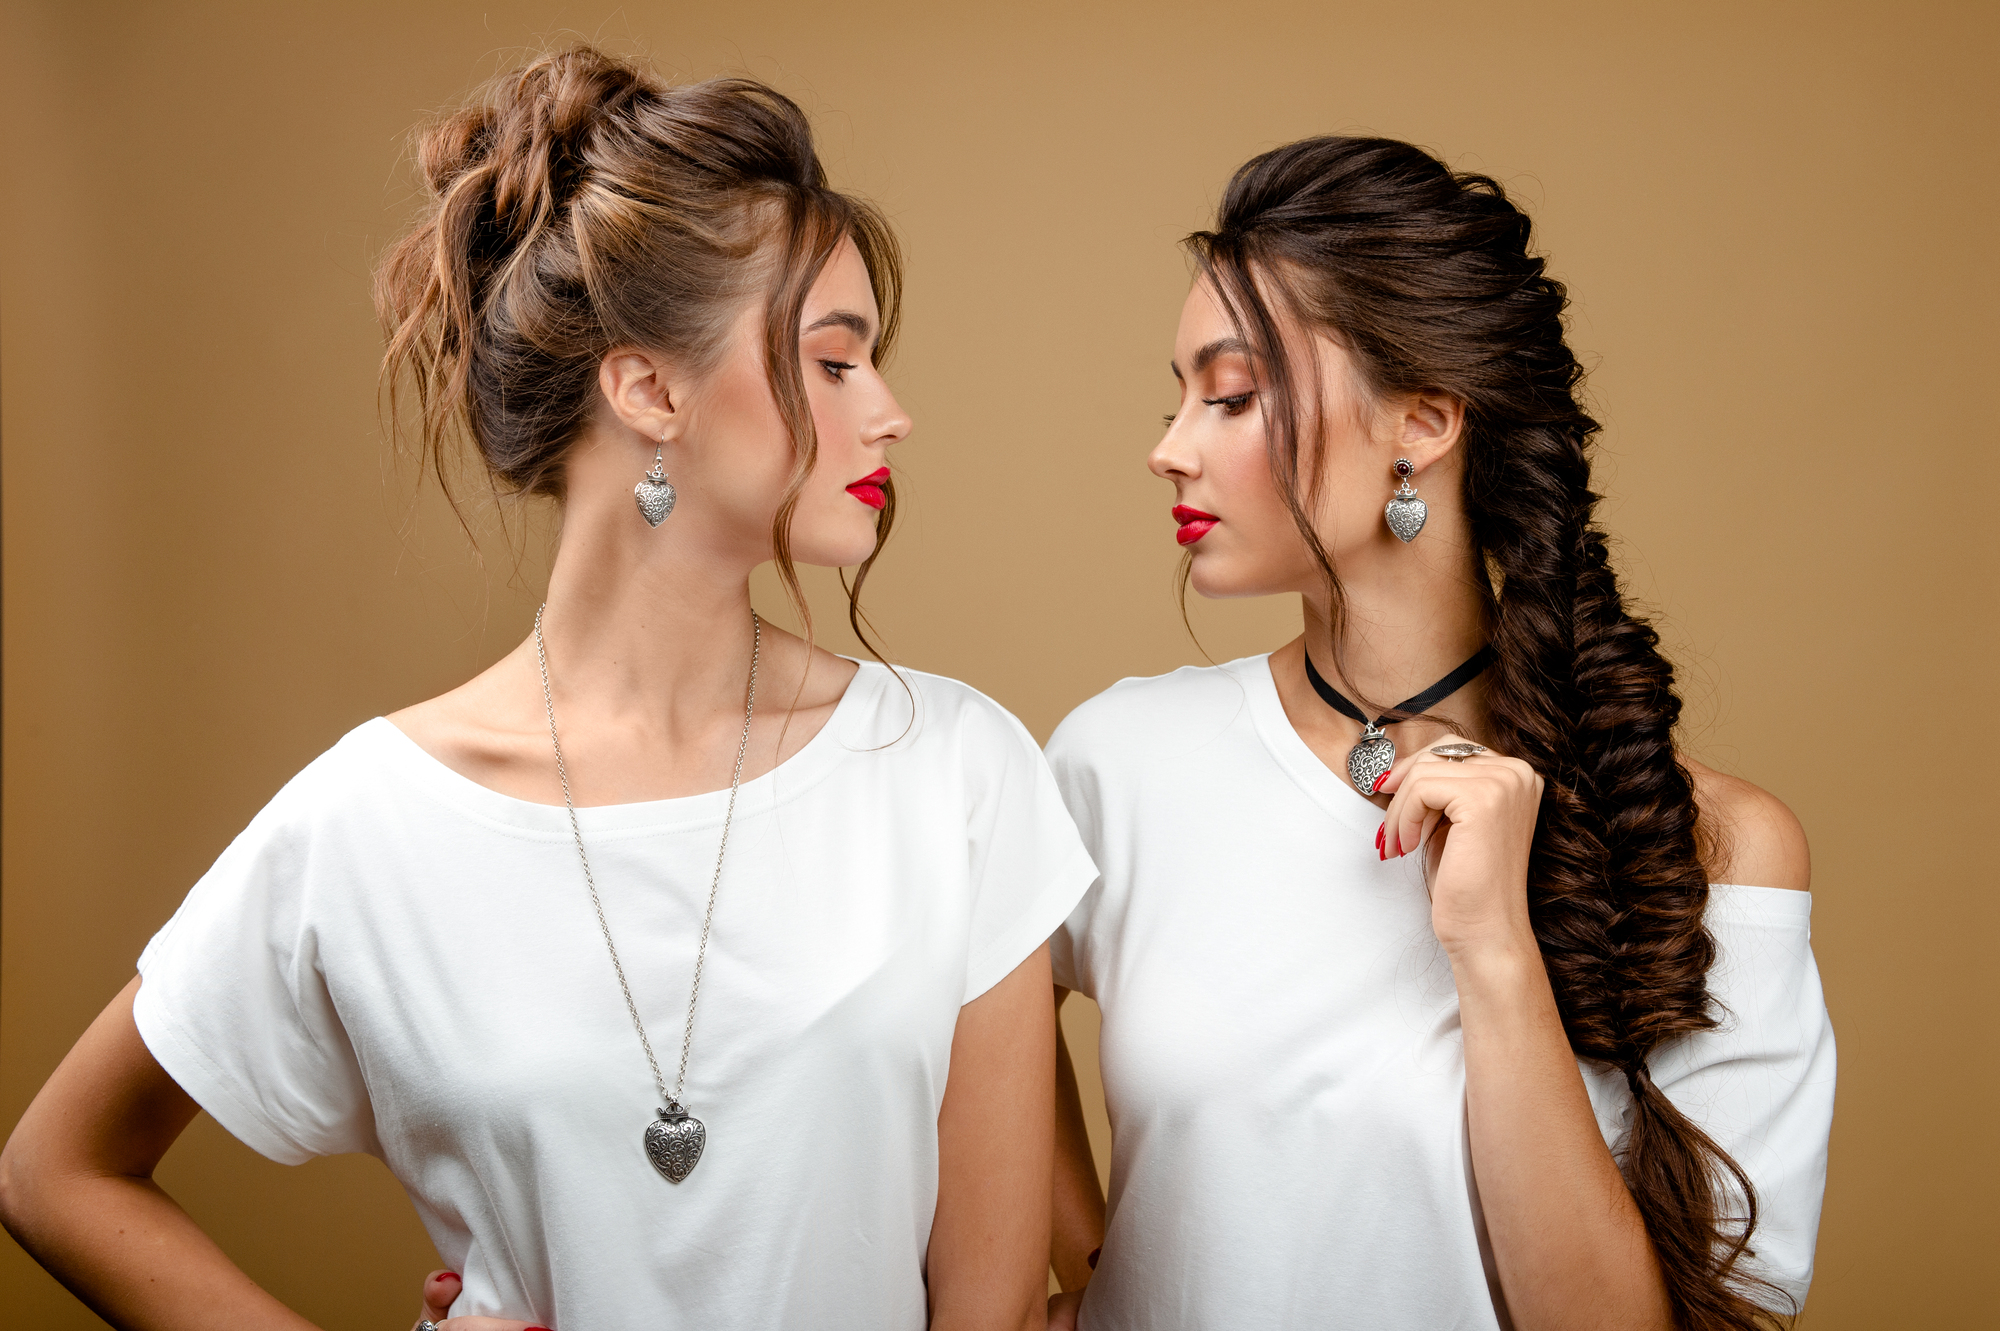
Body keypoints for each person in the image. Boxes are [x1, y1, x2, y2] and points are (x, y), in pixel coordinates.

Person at [0, 47, 1094, 1331]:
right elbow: (53, 1171)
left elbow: (998, 1307)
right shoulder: (371, 821)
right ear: (646, 387)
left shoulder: (953, 772)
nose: (891, 412)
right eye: (835, 361)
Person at [1044, 137, 1834, 1330]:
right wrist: (1103, 1277)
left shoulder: (1716, 846)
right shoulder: (1119, 759)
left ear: (1420, 422)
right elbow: (960, 1032)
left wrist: (1492, 947)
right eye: (1176, 395)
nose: (1170, 444)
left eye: (1231, 394)